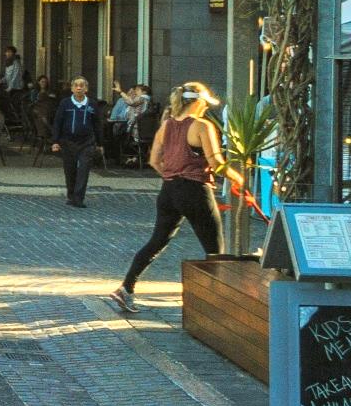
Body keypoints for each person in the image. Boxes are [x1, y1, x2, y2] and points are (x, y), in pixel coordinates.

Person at [110, 82, 230, 315]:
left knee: (157, 241)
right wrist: (239, 176)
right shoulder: (202, 126)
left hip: (169, 190)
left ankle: (126, 287)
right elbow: (216, 163)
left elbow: (154, 160)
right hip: (195, 190)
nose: (205, 107)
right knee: (216, 249)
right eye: (204, 103)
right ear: (197, 102)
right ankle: (218, 304)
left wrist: (171, 173)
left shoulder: (166, 126)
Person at [52, 76, 103, 209]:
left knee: (84, 169)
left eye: (82, 85)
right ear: (72, 88)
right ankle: (71, 194)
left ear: (86, 89)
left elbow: (97, 124)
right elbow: (58, 122)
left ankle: (79, 198)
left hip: (87, 142)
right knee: (70, 170)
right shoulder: (65, 103)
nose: (79, 88)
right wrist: (55, 141)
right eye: (76, 85)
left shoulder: (92, 104)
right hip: (68, 141)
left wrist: (100, 143)